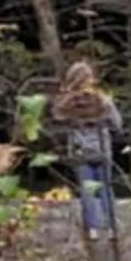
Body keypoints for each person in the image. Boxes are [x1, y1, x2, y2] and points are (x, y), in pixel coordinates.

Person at [47, 59, 123, 236]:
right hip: (102, 148)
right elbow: (117, 124)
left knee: (87, 190)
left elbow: (56, 120)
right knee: (105, 188)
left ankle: (92, 228)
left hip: (80, 150)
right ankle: (111, 226)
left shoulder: (66, 103)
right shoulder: (102, 100)